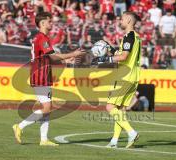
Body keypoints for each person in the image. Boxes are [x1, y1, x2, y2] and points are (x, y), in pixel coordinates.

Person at [12, 12, 86, 146]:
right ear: (42, 23)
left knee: (47, 108)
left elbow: (47, 58)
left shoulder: (40, 38)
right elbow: (52, 56)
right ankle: (20, 126)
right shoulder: (42, 38)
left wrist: (67, 60)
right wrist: (73, 53)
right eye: (49, 21)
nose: (52, 23)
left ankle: (44, 139)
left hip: (42, 74)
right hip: (40, 76)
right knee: (47, 107)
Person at [93, 11, 141, 148]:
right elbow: (122, 54)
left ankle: (131, 132)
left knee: (109, 106)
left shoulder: (129, 36)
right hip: (133, 76)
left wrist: (103, 59)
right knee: (119, 109)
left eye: (122, 19)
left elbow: (123, 57)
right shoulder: (136, 37)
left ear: (129, 21)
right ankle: (114, 141)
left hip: (124, 76)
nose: (120, 21)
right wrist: (110, 48)